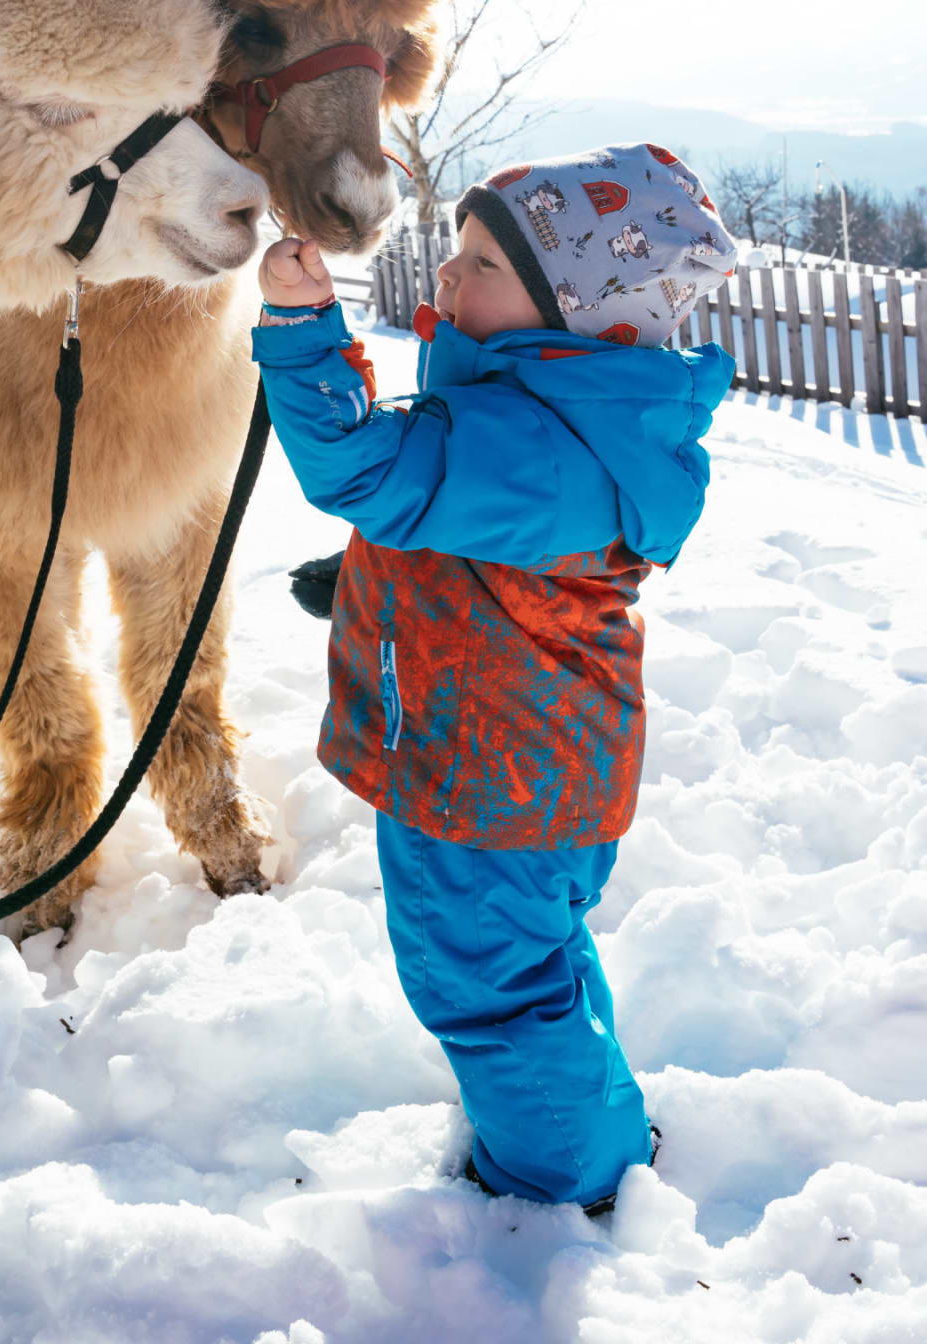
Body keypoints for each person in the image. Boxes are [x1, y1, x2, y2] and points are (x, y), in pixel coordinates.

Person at [252, 143, 736, 1215]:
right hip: (531, 770)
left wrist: (298, 326)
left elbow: (366, 466)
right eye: (459, 249)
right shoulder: (561, 415)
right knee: (531, 964)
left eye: (484, 264)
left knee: (485, 987)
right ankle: (589, 1123)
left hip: (482, 784)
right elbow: (469, 531)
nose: (448, 273)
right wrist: (374, 578)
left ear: (574, 314)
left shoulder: (540, 444)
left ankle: (564, 1183)